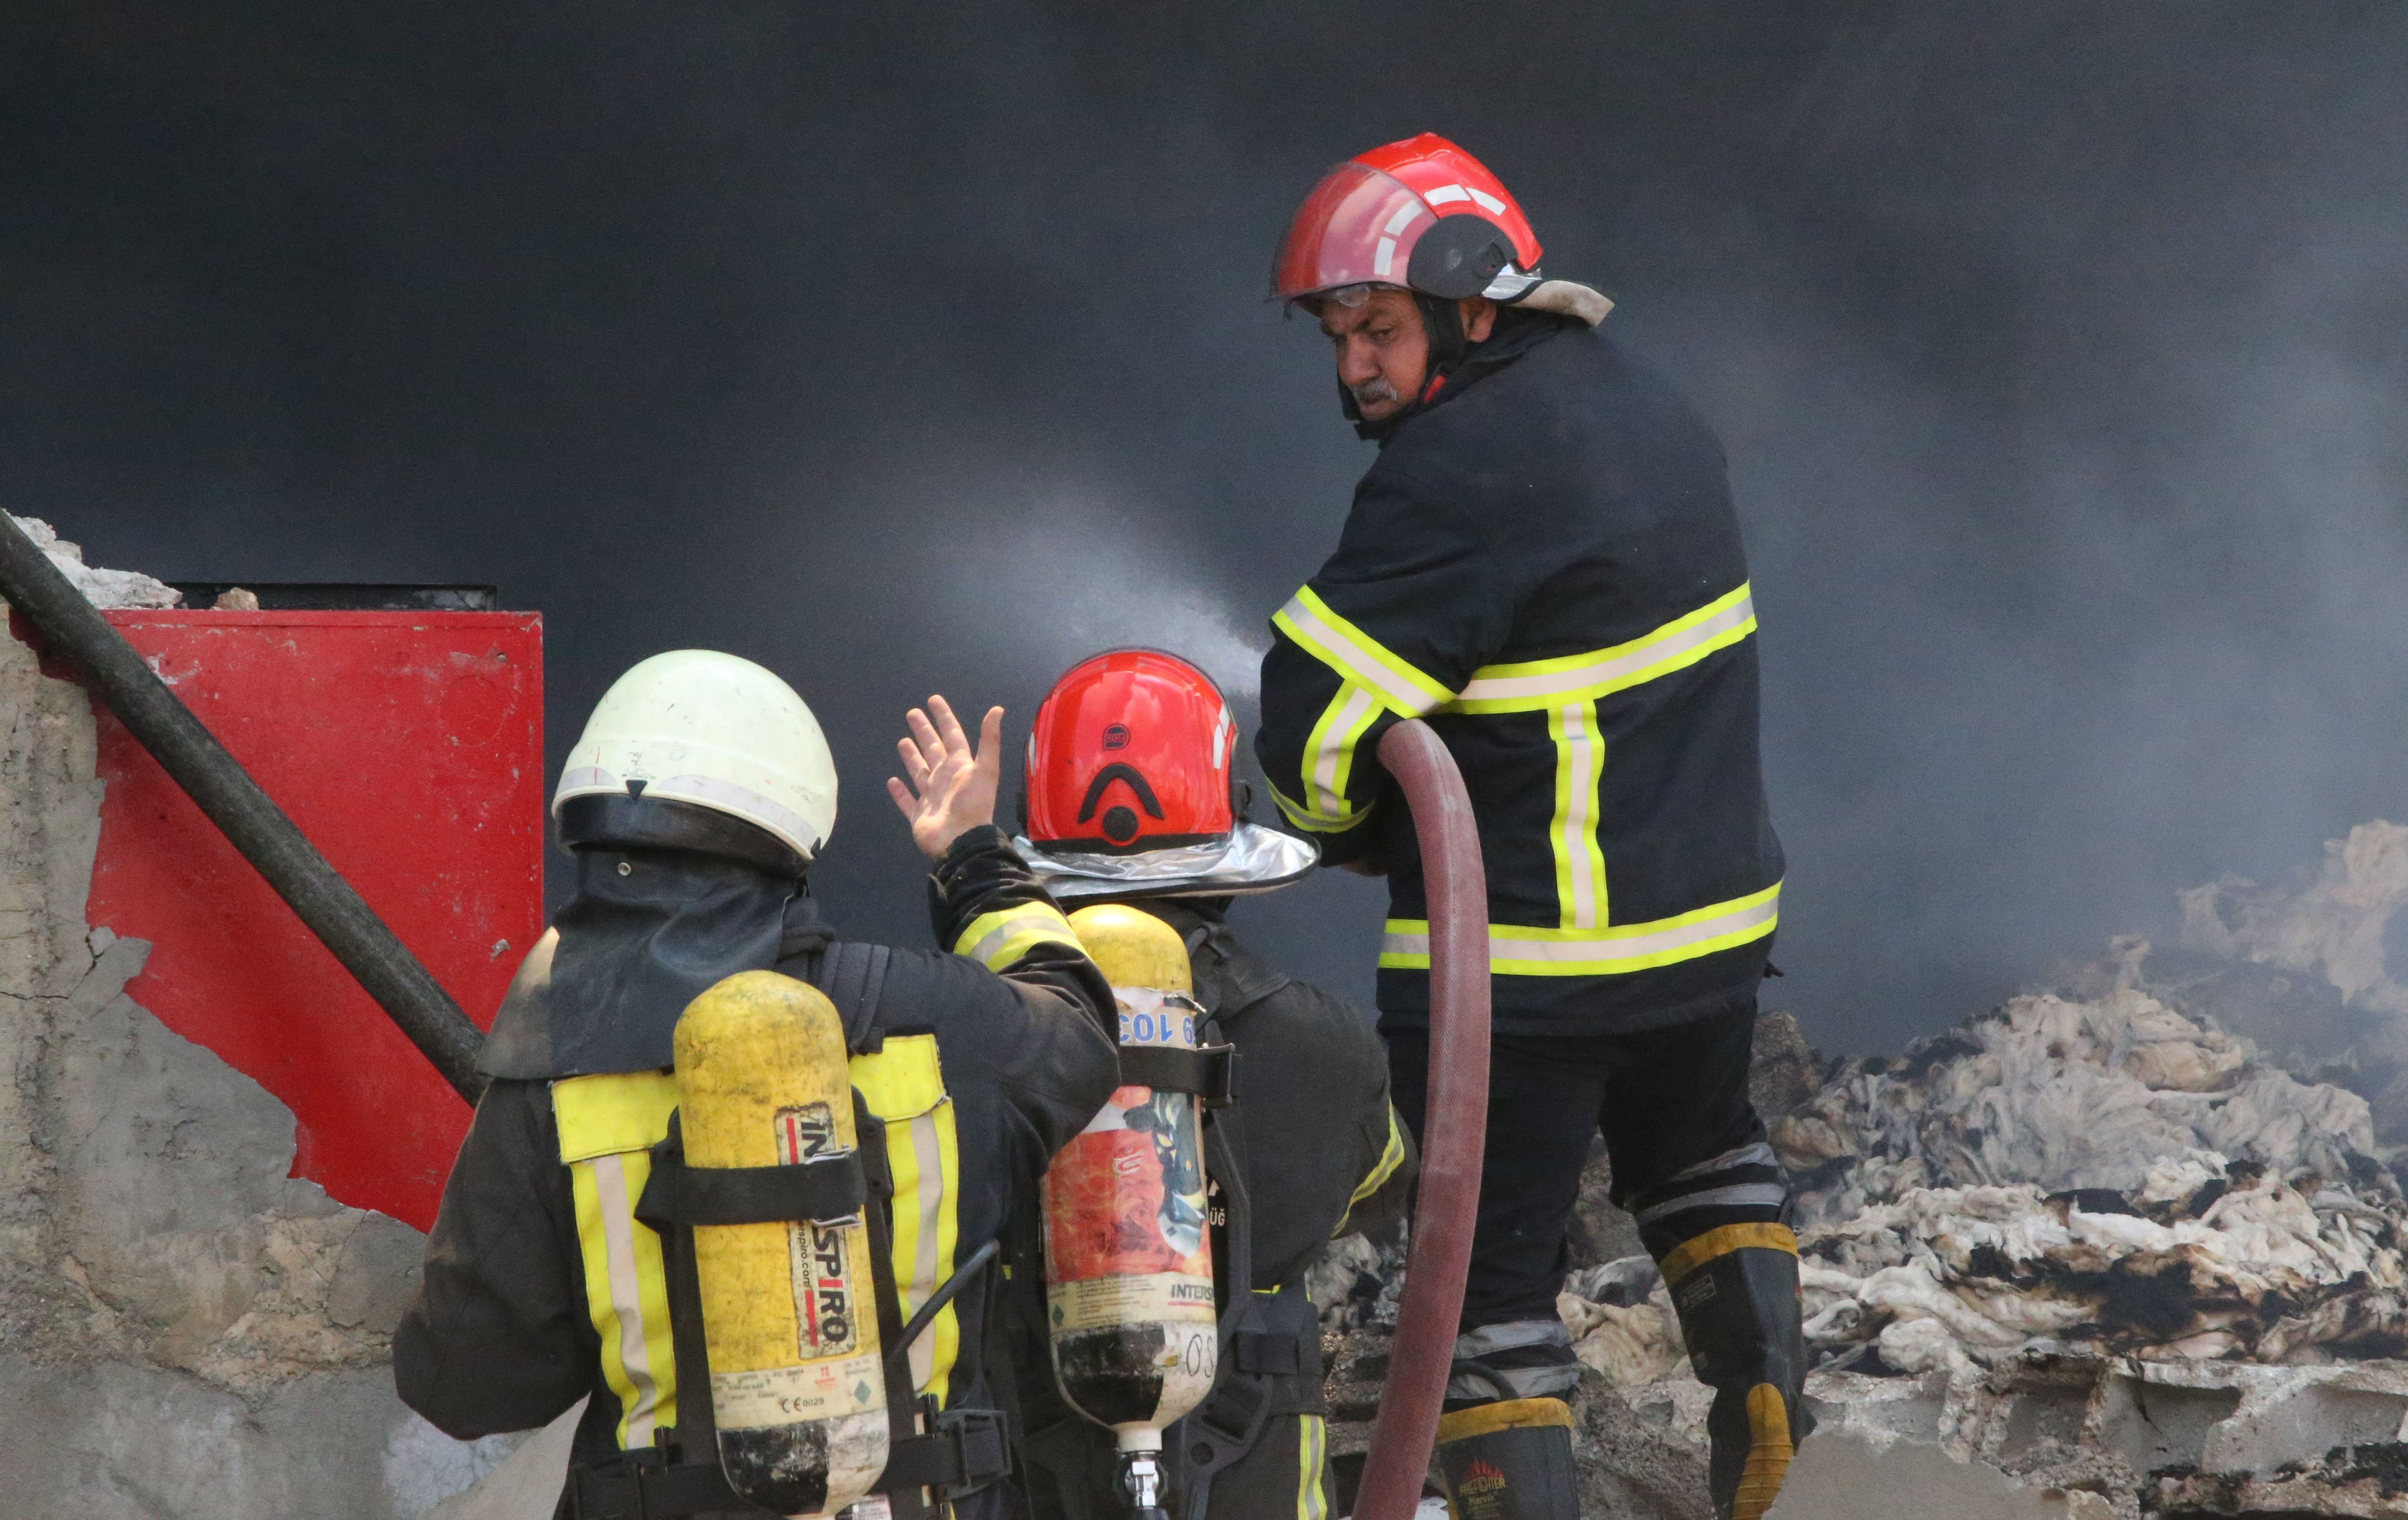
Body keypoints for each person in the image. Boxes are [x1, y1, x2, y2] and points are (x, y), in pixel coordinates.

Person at [1254, 133, 1806, 1520]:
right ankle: (1765, 1410)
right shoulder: (1655, 409)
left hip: (1531, 973)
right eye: (1335, 336)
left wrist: (1355, 820)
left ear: (1472, 304)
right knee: (1705, 1156)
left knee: (1491, 1294)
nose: (1353, 370)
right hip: (1716, 938)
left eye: (1376, 328)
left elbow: (1311, 736)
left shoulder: (1459, 468)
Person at [395, 651, 1120, 1520]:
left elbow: (467, 1387)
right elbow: (1081, 1027)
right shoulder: (940, 1019)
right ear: (796, 829)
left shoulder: (551, 1070)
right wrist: (973, 858)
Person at [1003, 649, 1411, 1520]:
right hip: (1253, 1472)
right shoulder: (1327, 1042)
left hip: (1025, 1466)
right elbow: (1380, 1188)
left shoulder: (972, 1034)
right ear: (1229, 828)